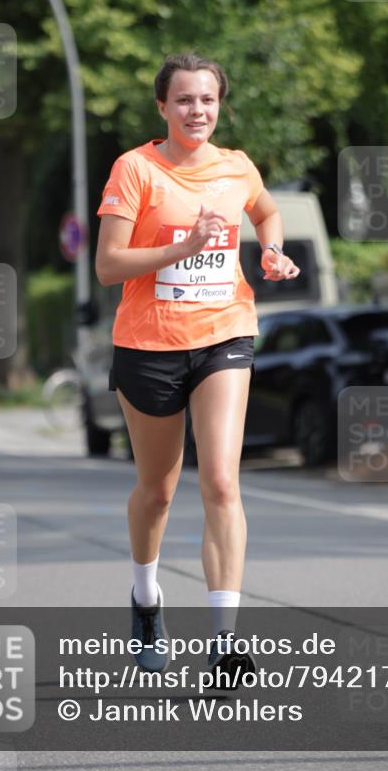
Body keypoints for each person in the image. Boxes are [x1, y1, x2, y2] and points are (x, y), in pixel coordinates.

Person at [95, 52, 300, 685]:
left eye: (207, 100)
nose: (197, 111)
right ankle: (146, 598)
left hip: (224, 336)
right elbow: (107, 265)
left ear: (219, 105)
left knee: (221, 482)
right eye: (184, 100)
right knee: (157, 491)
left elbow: (265, 209)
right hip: (148, 344)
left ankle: (225, 641)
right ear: (162, 108)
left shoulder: (236, 167)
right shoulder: (135, 169)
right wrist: (181, 247)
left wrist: (270, 249)